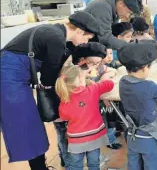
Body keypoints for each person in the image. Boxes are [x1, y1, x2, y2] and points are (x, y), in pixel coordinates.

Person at [0, 11, 101, 170]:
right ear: (80, 31)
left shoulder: (57, 34)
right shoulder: (56, 38)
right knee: (25, 124)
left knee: (31, 123)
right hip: (7, 75)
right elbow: (49, 78)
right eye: (86, 38)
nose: (84, 42)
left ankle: (40, 166)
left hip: (15, 74)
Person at [118, 40, 157, 170]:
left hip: (131, 134)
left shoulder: (123, 82)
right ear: (145, 67)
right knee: (153, 164)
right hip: (149, 136)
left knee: (133, 163)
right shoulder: (149, 86)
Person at [55, 64, 115, 170]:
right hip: (94, 137)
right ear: (79, 79)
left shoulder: (64, 102)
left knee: (76, 166)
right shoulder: (93, 90)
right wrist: (104, 78)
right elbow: (110, 84)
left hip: (75, 140)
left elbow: (63, 116)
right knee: (94, 164)